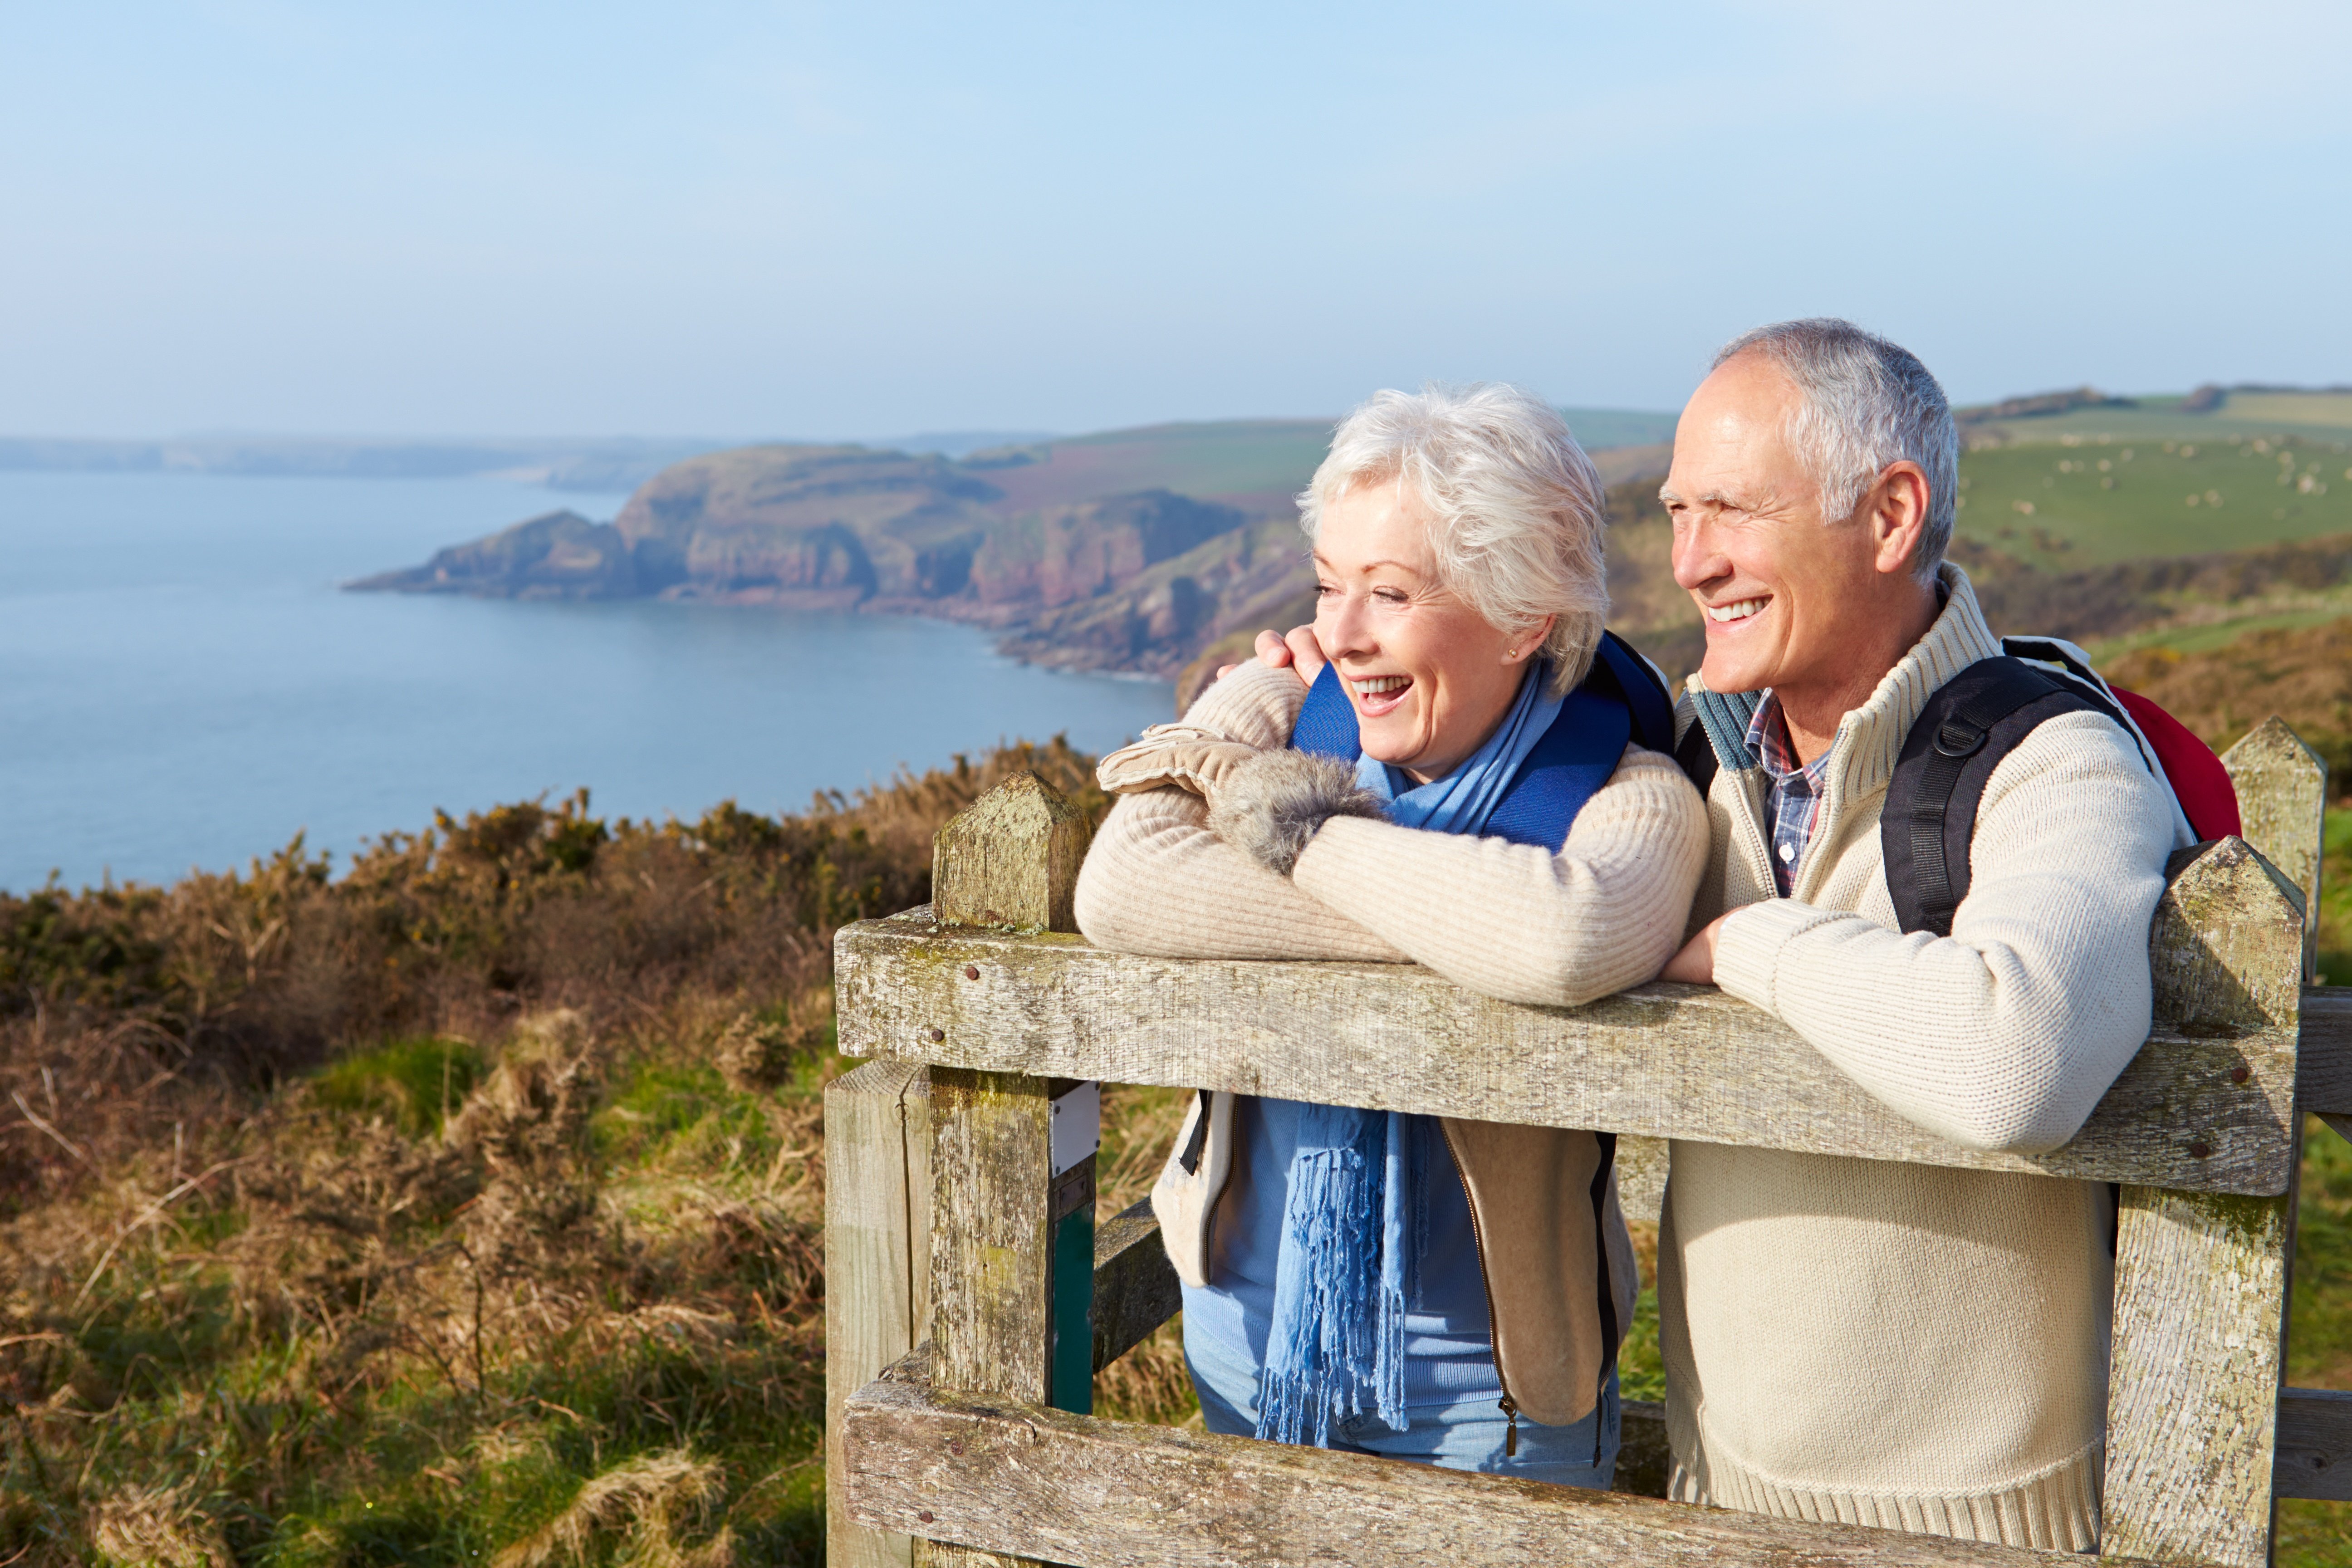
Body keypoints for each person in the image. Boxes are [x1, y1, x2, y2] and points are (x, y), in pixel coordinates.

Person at [1074, 383, 1708, 1489]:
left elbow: (1563, 938)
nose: (1343, 635)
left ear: (1526, 616)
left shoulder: (1628, 790)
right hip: (1245, 1344)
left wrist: (1288, 832)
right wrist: (1256, 693)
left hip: (1496, 1403)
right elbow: (1122, 888)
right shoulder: (1292, 711)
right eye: (1328, 587)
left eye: (1392, 593)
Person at [1649, 321, 2182, 1549]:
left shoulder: (2057, 761)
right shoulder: (1696, 759)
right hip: (1708, 1493)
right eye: (1677, 512)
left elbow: (2019, 1061)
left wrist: (1748, 946)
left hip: (1977, 1527)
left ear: (1891, 517)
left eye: (1728, 510)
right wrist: (1292, 691)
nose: (1689, 561)